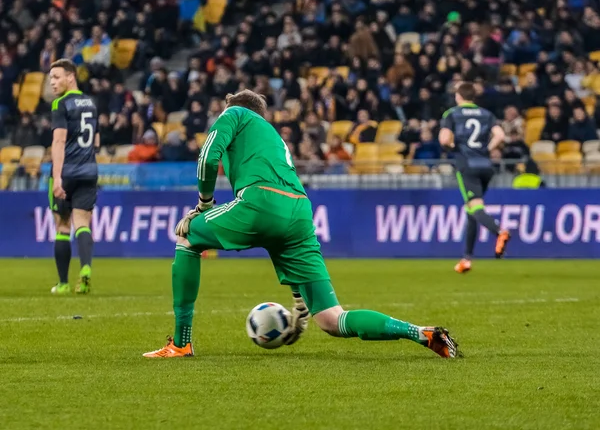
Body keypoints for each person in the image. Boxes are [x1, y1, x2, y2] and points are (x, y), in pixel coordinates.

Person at [143, 89, 459, 359]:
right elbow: (275, 232)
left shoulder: (235, 114)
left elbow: (208, 156)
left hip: (260, 201)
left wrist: (203, 206)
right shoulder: (272, 136)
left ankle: (181, 343)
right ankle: (420, 332)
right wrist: (298, 294)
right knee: (333, 320)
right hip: (299, 211)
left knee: (186, 238)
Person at [438, 82, 511, 274]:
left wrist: (453, 148)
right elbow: (500, 135)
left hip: (467, 165)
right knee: (471, 209)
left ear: (458, 96)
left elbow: (444, 139)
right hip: (486, 166)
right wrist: (486, 149)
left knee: (475, 206)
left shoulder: (452, 114)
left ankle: (499, 231)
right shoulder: (486, 114)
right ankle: (466, 259)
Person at [48, 59, 99, 295]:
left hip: (66, 172)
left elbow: (58, 141)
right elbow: (96, 142)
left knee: (62, 225)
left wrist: (57, 178)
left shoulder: (61, 104)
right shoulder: (91, 103)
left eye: (57, 77)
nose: (52, 83)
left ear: (71, 77)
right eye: (50, 79)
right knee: (83, 223)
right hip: (89, 170)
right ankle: (86, 269)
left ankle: (63, 283)